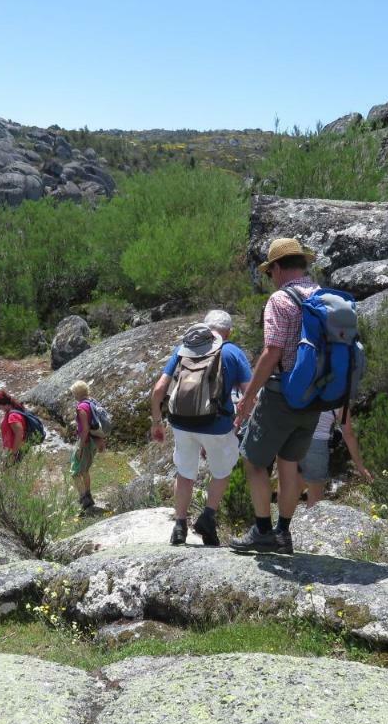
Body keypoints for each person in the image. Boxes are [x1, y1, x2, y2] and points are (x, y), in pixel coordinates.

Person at [229, 237, 324, 555]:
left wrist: (247, 398)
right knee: (289, 464)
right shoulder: (324, 297)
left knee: (253, 462)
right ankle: (284, 534)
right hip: (315, 396)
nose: (271, 277)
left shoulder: (280, 301)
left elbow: (272, 352)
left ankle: (263, 531)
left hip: (282, 393)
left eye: (271, 271)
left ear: (279, 268)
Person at [149, 311, 252, 546]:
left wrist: (157, 422)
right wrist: (241, 421)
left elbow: (158, 390)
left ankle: (179, 525)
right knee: (221, 471)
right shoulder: (232, 351)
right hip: (217, 425)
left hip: (181, 423)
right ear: (229, 332)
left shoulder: (183, 349)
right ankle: (208, 516)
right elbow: (250, 394)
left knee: (185, 472)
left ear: (204, 328)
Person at [298, 409, 372, 506]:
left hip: (293, 438)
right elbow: (348, 434)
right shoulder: (339, 398)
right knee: (315, 498)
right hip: (317, 444)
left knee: (289, 487)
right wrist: (360, 465)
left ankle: (284, 520)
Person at [69, 380, 103, 512]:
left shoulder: (81, 407)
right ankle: (88, 496)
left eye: (73, 393)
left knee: (75, 471)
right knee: (84, 470)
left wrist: (80, 448)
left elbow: (85, 429)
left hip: (86, 442)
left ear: (77, 393)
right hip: (93, 440)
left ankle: (84, 499)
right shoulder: (92, 402)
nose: (73, 395)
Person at [0, 389, 29, 462]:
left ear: (5, 405)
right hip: (14, 449)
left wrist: (14, 454)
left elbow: (19, 434)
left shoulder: (13, 416)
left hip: (15, 450)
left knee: (8, 471)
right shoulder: (14, 410)